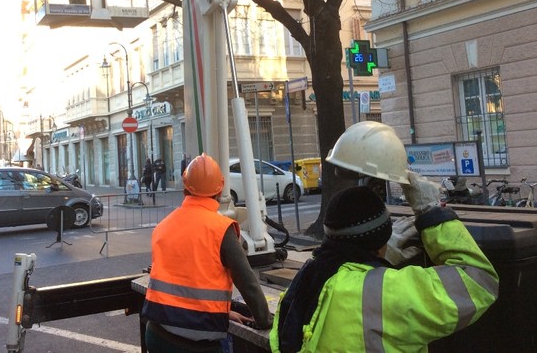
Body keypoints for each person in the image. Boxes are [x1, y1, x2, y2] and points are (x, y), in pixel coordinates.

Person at [270, 121, 499, 353]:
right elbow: (479, 283)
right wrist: (431, 212)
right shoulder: (385, 293)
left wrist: (378, 259)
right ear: (380, 242)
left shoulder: (305, 281)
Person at [142, 153, 272, 352]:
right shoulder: (221, 229)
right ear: (219, 189)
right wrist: (264, 320)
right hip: (196, 345)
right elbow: (247, 283)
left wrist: (223, 312)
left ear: (185, 187)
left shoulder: (163, 226)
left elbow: (185, 283)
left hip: (157, 334)